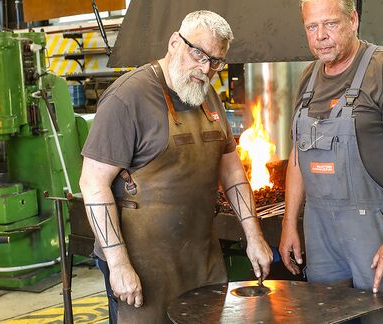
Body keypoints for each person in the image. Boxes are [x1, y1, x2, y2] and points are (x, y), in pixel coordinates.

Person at [79, 10, 273, 324]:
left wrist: (254, 236)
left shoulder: (207, 96)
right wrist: (118, 264)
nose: (206, 69)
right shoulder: (127, 98)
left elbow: (233, 173)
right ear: (174, 43)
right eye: (199, 54)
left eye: (216, 61)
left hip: (200, 258)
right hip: (143, 266)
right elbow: (93, 183)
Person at [279, 0, 383, 323]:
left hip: (374, 237)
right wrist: (289, 222)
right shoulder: (308, 79)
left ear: (353, 19)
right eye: (311, 27)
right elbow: (298, 157)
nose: (320, 36)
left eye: (330, 24)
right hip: (321, 240)